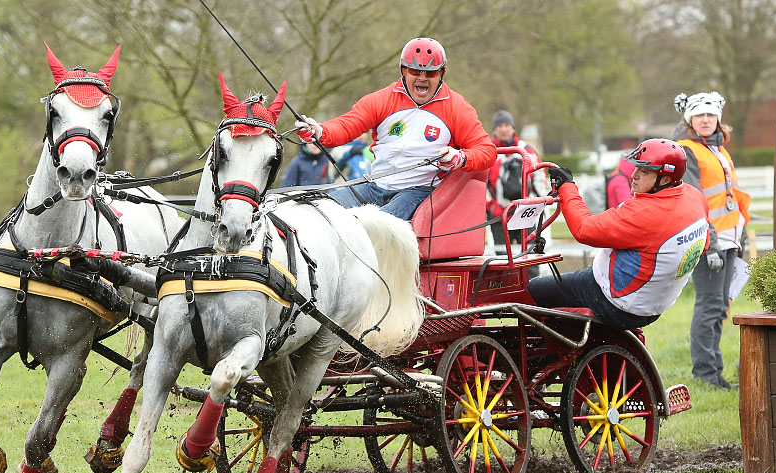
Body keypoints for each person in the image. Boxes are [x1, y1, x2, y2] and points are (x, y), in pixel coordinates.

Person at [294, 37, 496, 221]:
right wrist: (319, 132)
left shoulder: (457, 107)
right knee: (323, 210)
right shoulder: (383, 99)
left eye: (431, 73)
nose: (422, 78)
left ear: (441, 73)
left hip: (418, 191)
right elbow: (348, 124)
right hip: (374, 186)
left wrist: (459, 158)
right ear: (403, 71)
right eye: (415, 71)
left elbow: (487, 151)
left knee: (377, 223)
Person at [527, 139, 710, 330]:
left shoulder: (643, 214)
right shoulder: (694, 197)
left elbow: (584, 229)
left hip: (614, 301)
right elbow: (703, 246)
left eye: (644, 171)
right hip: (653, 306)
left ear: (665, 180)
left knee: (531, 290)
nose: (633, 175)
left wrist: (567, 187)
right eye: (636, 168)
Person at [673, 91, 751, 390]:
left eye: (710, 115)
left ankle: (715, 372)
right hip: (708, 240)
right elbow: (694, 200)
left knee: (720, 305)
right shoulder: (687, 150)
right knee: (708, 305)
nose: (705, 120)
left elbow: (731, 196)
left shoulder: (720, 150)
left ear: (718, 118)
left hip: (728, 239)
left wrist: (740, 235)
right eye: (698, 115)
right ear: (690, 119)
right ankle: (705, 374)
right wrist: (712, 242)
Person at [486, 109, 548, 250]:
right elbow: (481, 182)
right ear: (494, 130)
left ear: (513, 128)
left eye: (507, 125)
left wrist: (539, 201)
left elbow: (540, 176)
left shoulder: (527, 150)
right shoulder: (487, 152)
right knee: (503, 259)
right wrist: (489, 205)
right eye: (499, 126)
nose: (504, 129)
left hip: (526, 213)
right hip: (499, 214)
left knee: (530, 259)